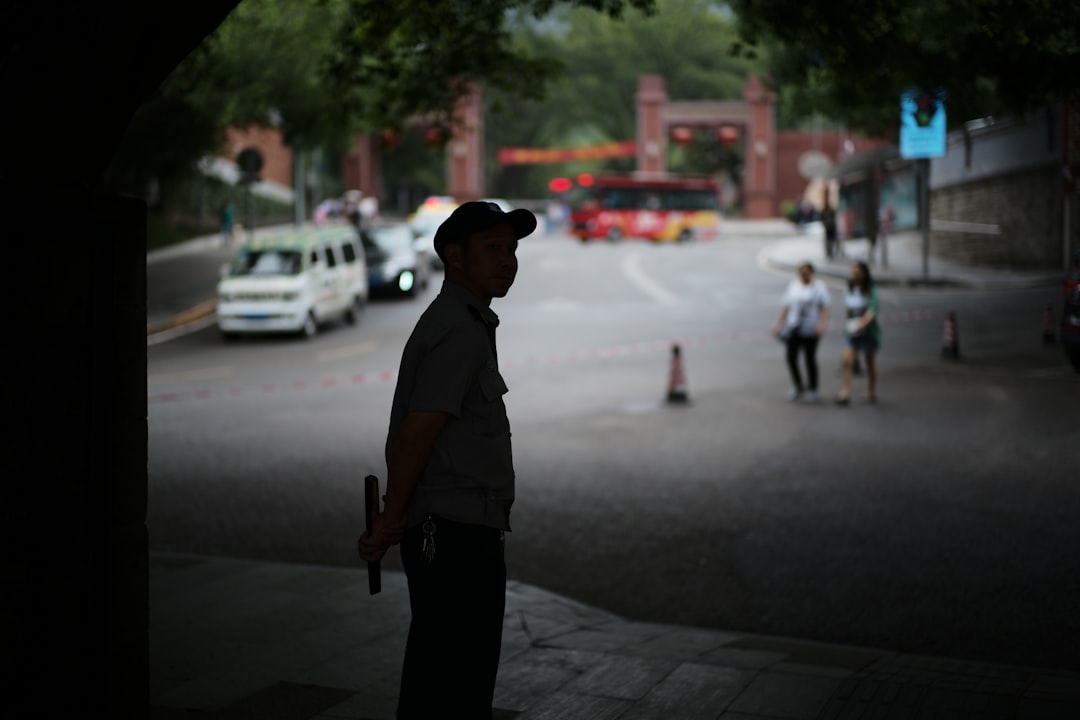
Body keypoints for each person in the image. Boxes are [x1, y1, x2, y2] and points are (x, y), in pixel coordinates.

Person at [358, 200, 537, 719]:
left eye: (511, 248)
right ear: (454, 257)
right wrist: (392, 520)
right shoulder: (458, 330)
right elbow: (417, 434)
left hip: (456, 528)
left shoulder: (464, 321)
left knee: (442, 673)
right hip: (454, 535)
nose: (508, 260)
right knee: (456, 681)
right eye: (492, 248)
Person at [772, 262, 831, 402]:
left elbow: (825, 308)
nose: (804, 274)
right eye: (801, 272)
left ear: (811, 272)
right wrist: (778, 324)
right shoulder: (793, 286)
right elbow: (786, 306)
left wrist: (822, 324)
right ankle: (798, 386)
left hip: (811, 328)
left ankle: (813, 388)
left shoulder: (819, 288)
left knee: (810, 359)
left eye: (806, 271)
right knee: (791, 357)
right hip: (794, 328)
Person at [835, 261, 882, 405]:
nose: (855, 275)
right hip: (852, 331)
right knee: (847, 361)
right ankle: (844, 392)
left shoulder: (871, 291)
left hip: (868, 331)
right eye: (853, 272)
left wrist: (863, 323)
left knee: (869, 362)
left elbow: (873, 309)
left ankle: (871, 390)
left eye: (858, 272)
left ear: (864, 274)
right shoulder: (849, 288)